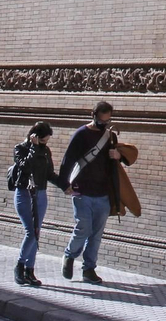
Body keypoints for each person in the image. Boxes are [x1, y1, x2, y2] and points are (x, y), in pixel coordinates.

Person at [57, 101, 133, 283]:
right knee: (83, 229)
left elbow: (116, 160)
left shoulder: (109, 136)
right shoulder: (81, 134)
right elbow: (67, 160)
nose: (103, 125)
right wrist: (64, 184)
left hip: (103, 193)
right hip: (82, 191)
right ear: (93, 115)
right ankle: (69, 255)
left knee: (96, 234)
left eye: (107, 122)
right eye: (101, 121)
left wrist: (118, 156)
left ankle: (89, 269)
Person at [11, 121, 67, 286]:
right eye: (43, 140)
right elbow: (24, 167)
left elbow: (49, 173)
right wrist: (34, 148)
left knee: (36, 232)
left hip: (41, 194)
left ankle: (30, 270)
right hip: (24, 194)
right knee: (30, 232)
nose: (45, 144)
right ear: (34, 136)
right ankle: (19, 266)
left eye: (47, 141)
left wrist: (65, 186)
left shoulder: (45, 151)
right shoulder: (20, 148)